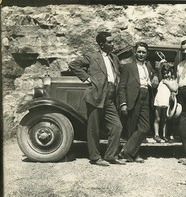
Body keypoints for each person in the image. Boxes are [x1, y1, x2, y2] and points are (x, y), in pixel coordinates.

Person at [68, 31, 125, 166]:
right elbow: (73, 64)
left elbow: (120, 72)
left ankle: (111, 156)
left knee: (117, 126)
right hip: (96, 96)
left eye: (112, 41)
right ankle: (95, 158)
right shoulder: (92, 56)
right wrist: (87, 78)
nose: (113, 44)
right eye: (109, 42)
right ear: (101, 44)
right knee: (93, 129)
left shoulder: (114, 58)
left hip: (110, 97)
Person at [118, 42, 159, 163]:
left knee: (145, 127)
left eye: (144, 52)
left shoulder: (149, 66)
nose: (141, 54)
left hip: (146, 96)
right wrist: (123, 103)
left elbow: (153, 75)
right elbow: (122, 87)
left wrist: (156, 75)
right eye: (139, 52)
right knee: (132, 127)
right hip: (133, 98)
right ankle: (134, 154)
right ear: (135, 52)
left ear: (147, 54)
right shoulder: (128, 67)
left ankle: (126, 151)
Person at [153, 61, 178, 143]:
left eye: (168, 73)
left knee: (164, 120)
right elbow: (159, 70)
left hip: (167, 102)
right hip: (159, 101)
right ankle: (156, 135)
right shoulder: (162, 80)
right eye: (164, 73)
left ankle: (163, 135)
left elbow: (174, 89)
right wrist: (161, 63)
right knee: (157, 118)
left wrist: (167, 82)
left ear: (171, 72)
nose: (166, 75)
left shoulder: (172, 81)